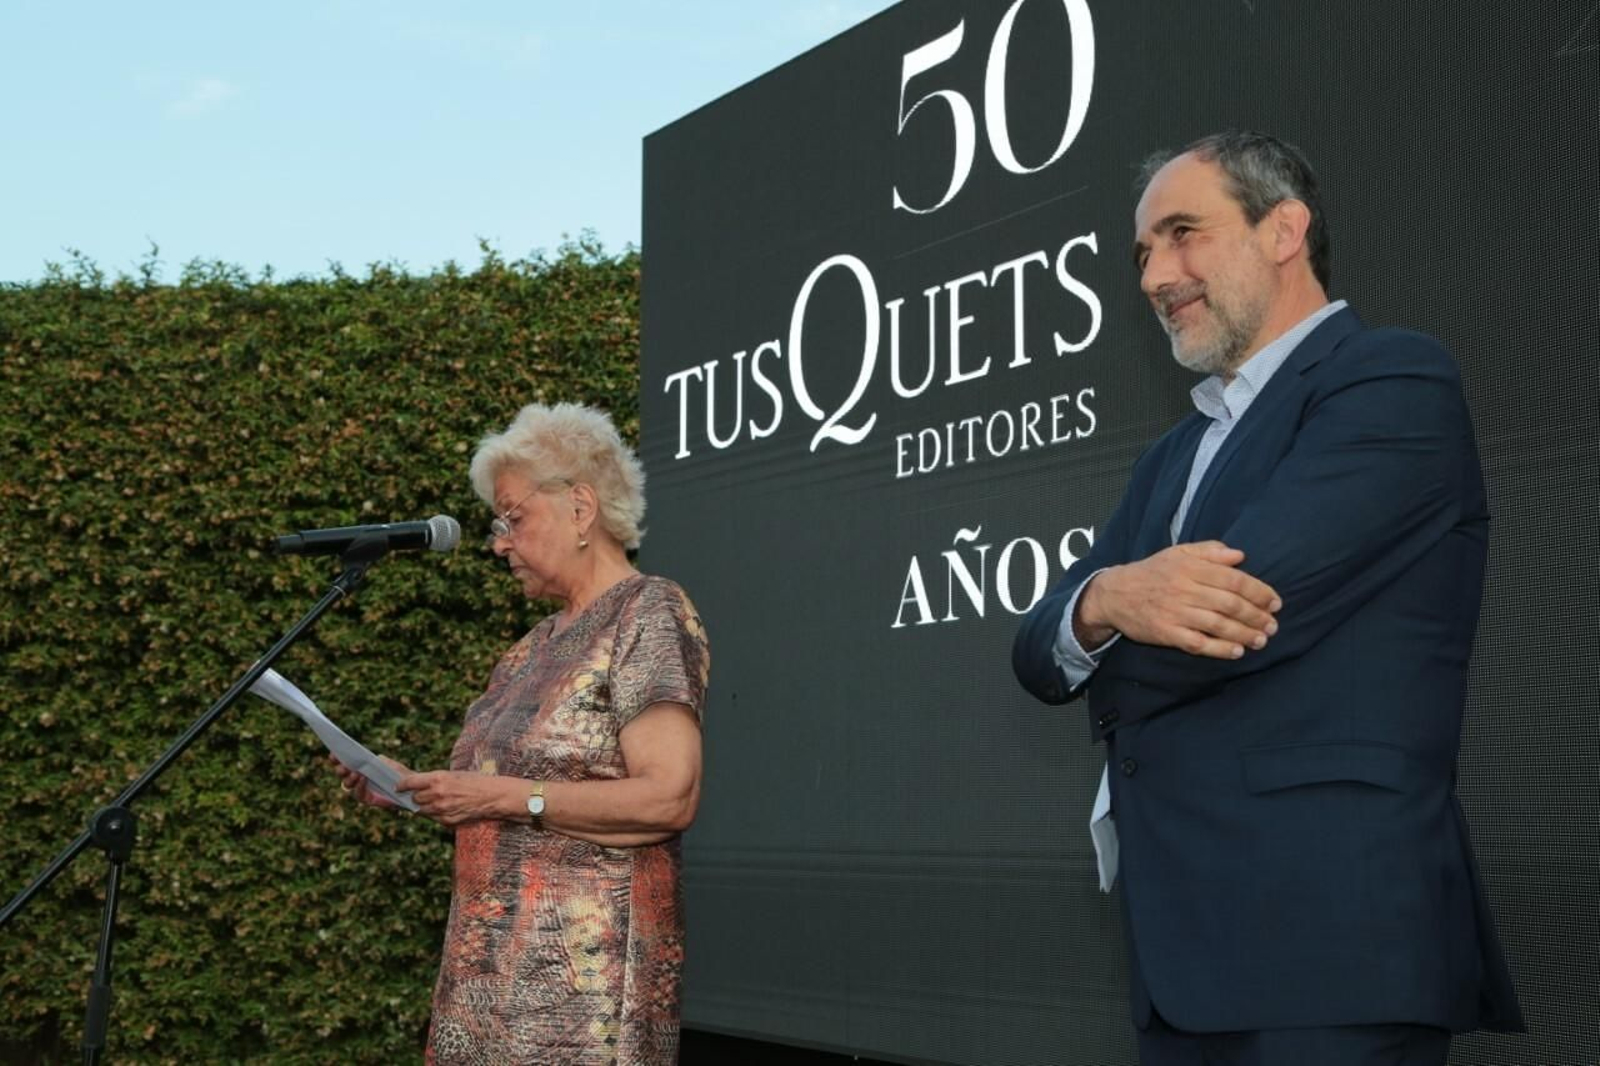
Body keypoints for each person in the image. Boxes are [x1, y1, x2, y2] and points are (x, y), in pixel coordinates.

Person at [1012, 131, 1523, 1064]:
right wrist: (1112, 597)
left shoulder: (1392, 381)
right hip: (1182, 963)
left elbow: (1239, 613)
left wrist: (1101, 622)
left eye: (1182, 234)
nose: (1155, 274)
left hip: (1329, 952)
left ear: (1284, 227)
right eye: (1142, 252)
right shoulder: (1169, 457)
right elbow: (1036, 650)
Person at [333, 401, 710, 1065]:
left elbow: (667, 798)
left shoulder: (646, 611)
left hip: (581, 1009)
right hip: (481, 994)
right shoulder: (528, 650)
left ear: (581, 507)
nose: (499, 541)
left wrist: (503, 797)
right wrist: (409, 790)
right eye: (496, 523)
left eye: (513, 517)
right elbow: (498, 801)